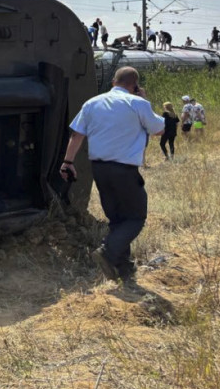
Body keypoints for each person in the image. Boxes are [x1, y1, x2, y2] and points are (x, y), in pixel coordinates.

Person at [60, 67, 165, 283]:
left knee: (117, 218)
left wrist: (67, 162)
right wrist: (145, 101)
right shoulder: (138, 104)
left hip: (99, 169)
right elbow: (158, 130)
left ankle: (122, 267)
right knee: (136, 217)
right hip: (124, 170)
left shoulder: (92, 103)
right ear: (134, 85)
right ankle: (107, 252)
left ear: (113, 82)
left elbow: (77, 135)